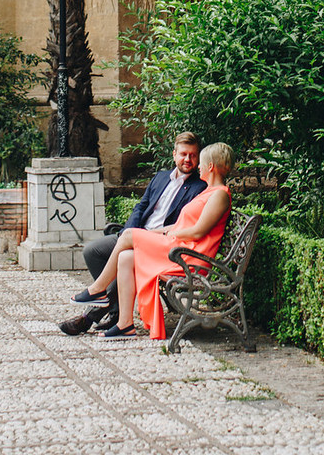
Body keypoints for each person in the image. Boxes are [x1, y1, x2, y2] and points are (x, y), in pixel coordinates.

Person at [77, 142, 233, 341]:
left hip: (188, 257)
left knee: (127, 236)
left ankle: (97, 290)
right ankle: (125, 324)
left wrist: (165, 236)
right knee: (126, 256)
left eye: (201, 162)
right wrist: (156, 233)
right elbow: (181, 225)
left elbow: (197, 232)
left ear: (210, 166)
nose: (198, 167)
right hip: (179, 248)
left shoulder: (220, 195)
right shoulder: (209, 192)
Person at [58, 132, 205, 335]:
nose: (187, 159)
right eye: (183, 154)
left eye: (193, 155)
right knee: (92, 251)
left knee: (127, 260)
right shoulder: (161, 177)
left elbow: (181, 225)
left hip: (159, 244)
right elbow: (141, 207)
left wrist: (145, 236)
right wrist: (128, 231)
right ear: (174, 155)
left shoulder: (200, 187)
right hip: (136, 235)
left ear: (198, 158)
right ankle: (116, 311)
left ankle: (89, 316)